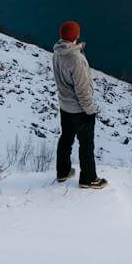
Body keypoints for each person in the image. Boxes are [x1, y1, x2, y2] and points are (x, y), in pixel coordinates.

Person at [53, 20, 106, 189]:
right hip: (79, 110)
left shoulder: (57, 53)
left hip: (65, 107)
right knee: (86, 144)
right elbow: (83, 91)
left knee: (66, 138)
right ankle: (88, 179)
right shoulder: (76, 59)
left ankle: (63, 172)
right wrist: (90, 111)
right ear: (76, 35)